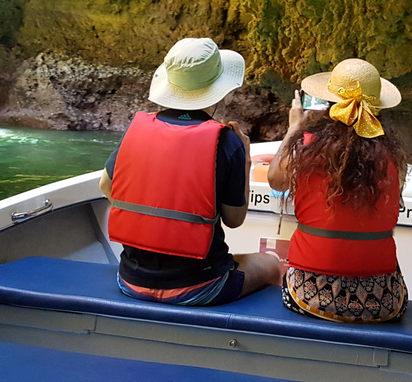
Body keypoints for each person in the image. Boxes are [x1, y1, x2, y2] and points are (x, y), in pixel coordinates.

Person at [99, 37, 281, 306]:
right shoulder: (227, 142)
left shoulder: (136, 131)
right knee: (271, 263)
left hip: (130, 281)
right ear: (218, 90)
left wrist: (154, 217)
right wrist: (245, 160)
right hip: (200, 287)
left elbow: (106, 186)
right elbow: (234, 220)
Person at [267, 58, 409, 322]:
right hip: (382, 302)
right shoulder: (391, 156)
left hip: (308, 297)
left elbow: (276, 180)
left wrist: (294, 128)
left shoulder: (307, 146)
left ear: (327, 104)